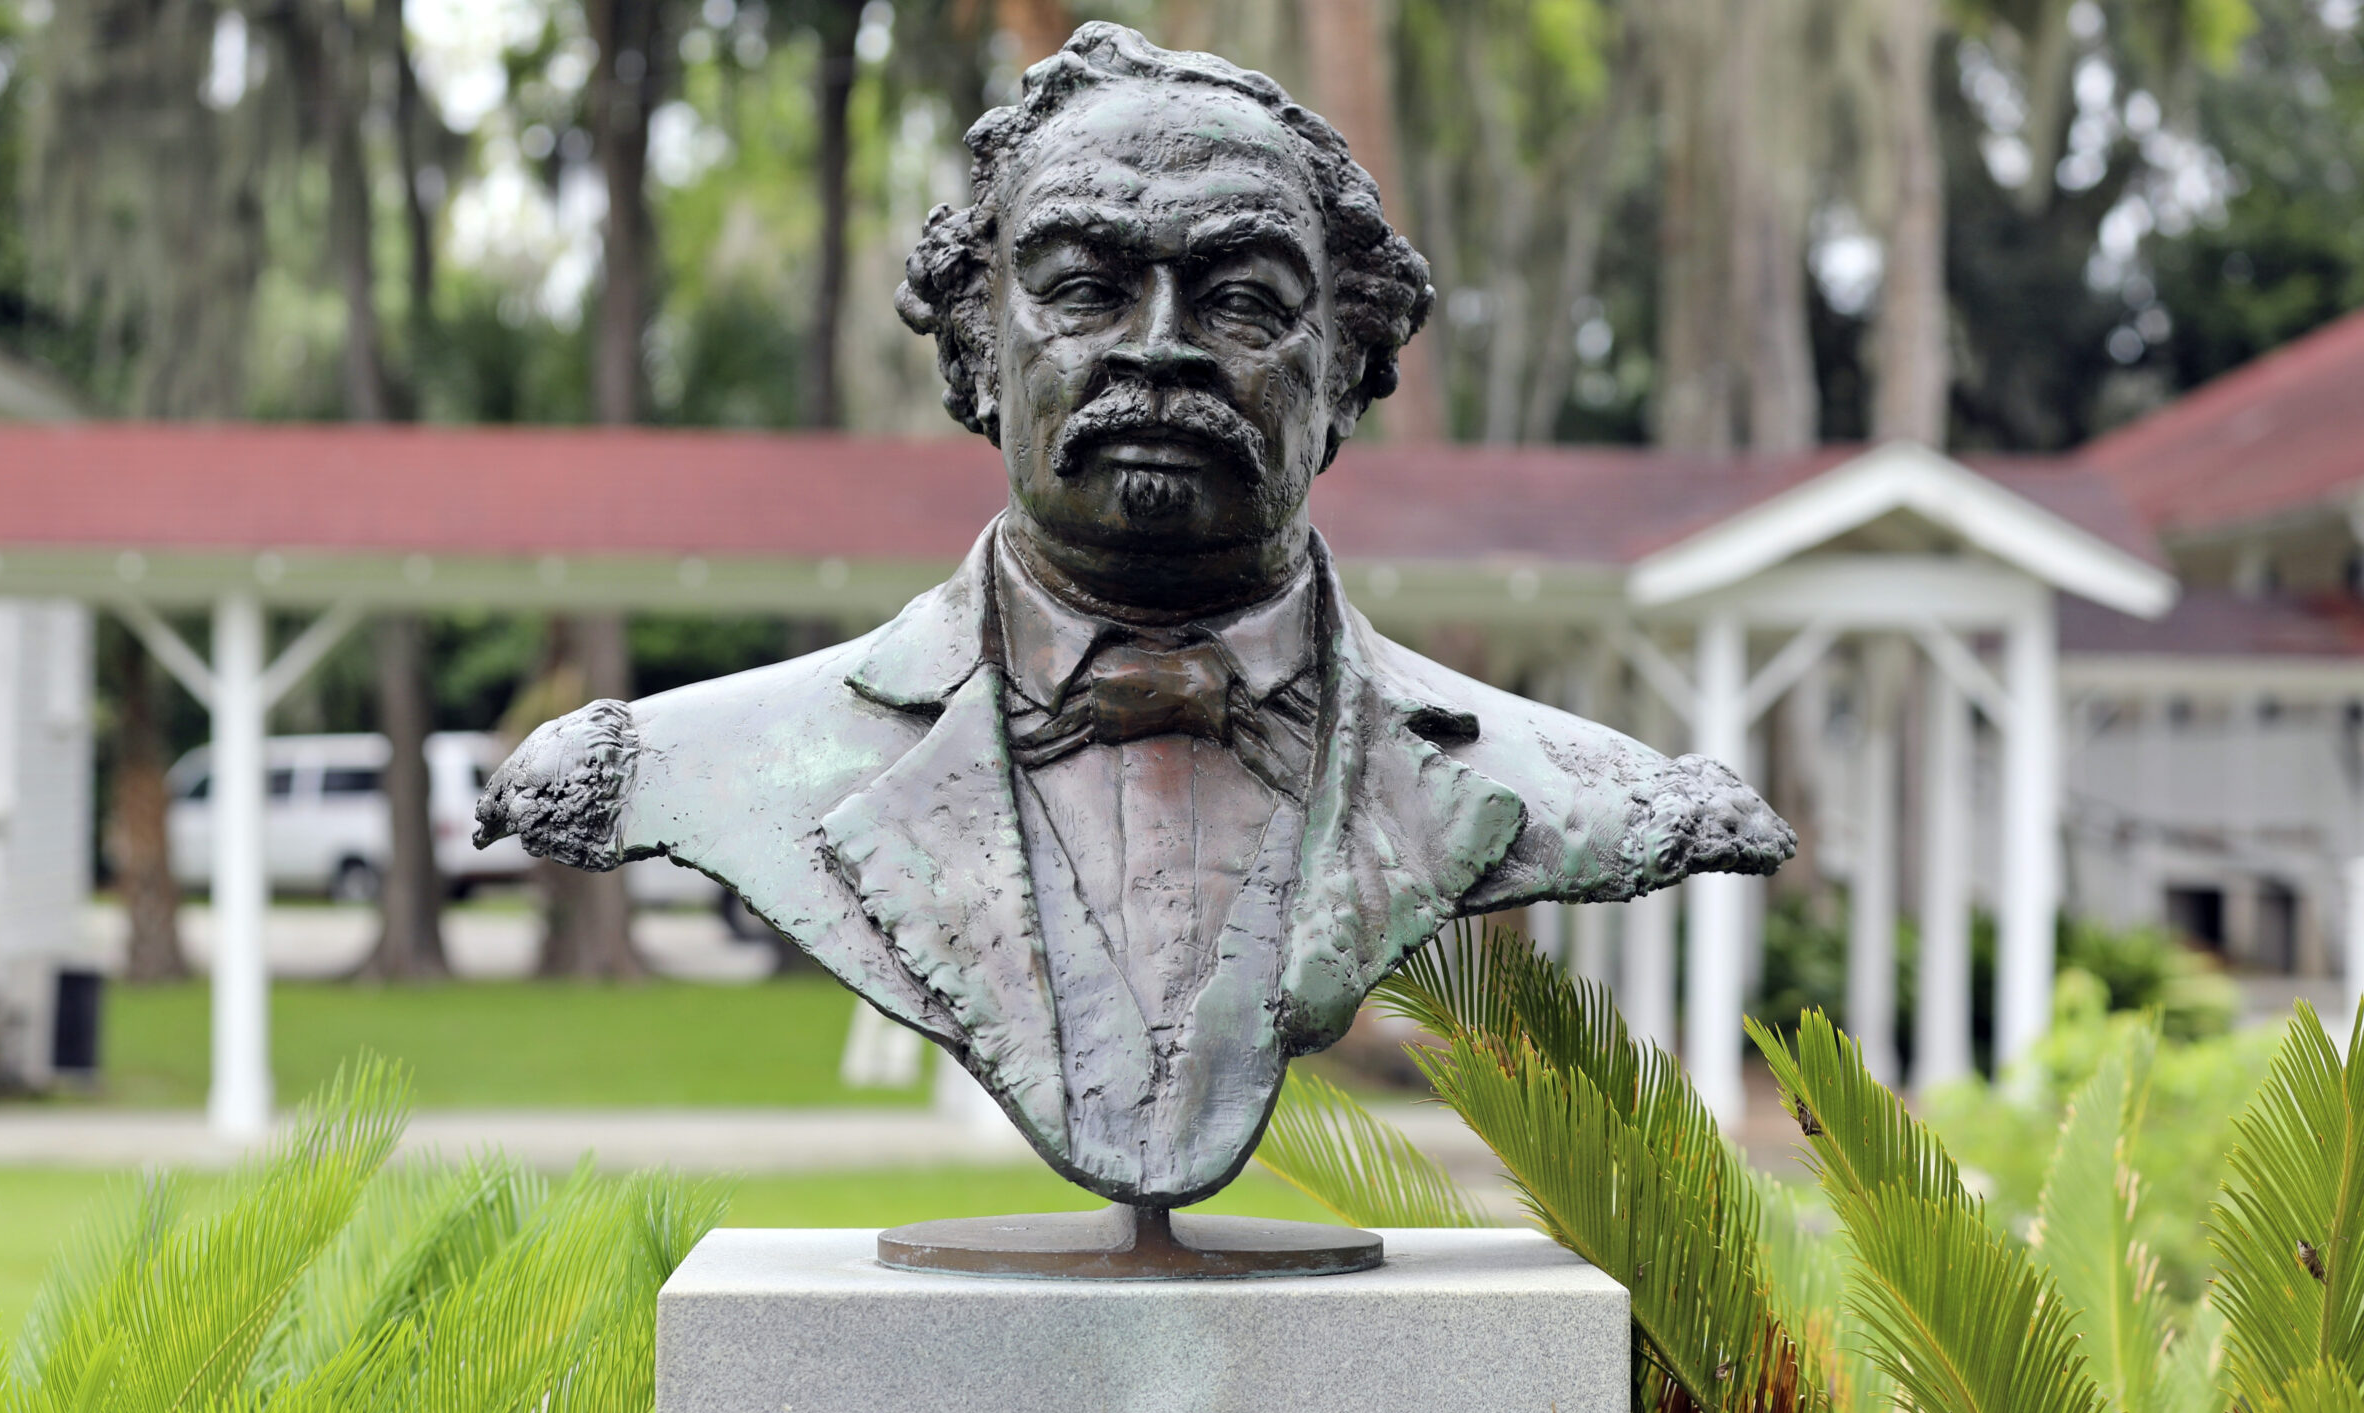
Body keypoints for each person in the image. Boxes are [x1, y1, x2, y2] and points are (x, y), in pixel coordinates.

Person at [477, 23, 1792, 1207]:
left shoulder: (1583, 789)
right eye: (1085, 285)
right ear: (978, 347)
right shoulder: (679, 766)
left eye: (1241, 299)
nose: (1161, 345)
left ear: (1346, 369)